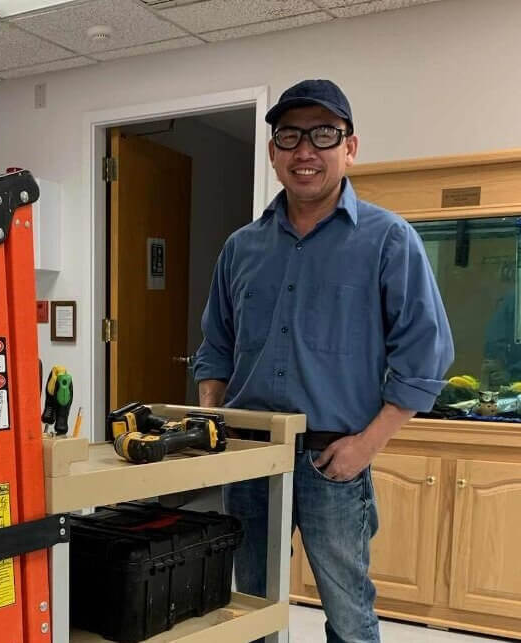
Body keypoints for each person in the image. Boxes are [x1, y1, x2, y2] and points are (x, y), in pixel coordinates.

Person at [193, 79, 454, 643]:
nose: (305, 150)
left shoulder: (389, 240)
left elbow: (425, 356)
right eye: (289, 136)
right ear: (273, 153)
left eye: (323, 134)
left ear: (350, 147)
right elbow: (215, 346)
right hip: (250, 456)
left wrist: (369, 444)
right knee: (253, 603)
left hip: (334, 460)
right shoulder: (241, 247)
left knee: (348, 610)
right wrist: (214, 418)